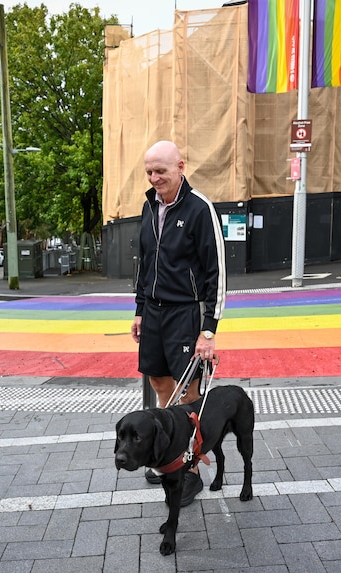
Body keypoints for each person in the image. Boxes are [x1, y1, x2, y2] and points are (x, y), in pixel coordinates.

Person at [131, 140, 227, 507]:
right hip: (153, 313)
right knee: (159, 382)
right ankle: (168, 455)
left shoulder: (199, 209)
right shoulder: (148, 205)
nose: (155, 178)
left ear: (181, 167)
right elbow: (144, 263)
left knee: (188, 393)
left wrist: (209, 329)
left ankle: (190, 470)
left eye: (161, 171)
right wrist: (140, 308)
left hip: (185, 313)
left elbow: (216, 272)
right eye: (149, 172)